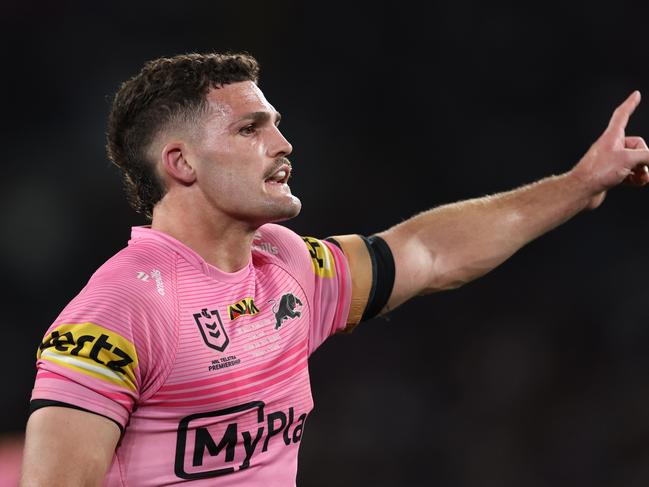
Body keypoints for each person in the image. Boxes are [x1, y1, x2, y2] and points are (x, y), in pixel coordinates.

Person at [20, 52, 649, 486]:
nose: (282, 144)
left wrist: (578, 185)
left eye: (277, 126)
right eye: (250, 129)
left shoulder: (288, 265)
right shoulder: (120, 310)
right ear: (182, 164)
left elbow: (429, 254)